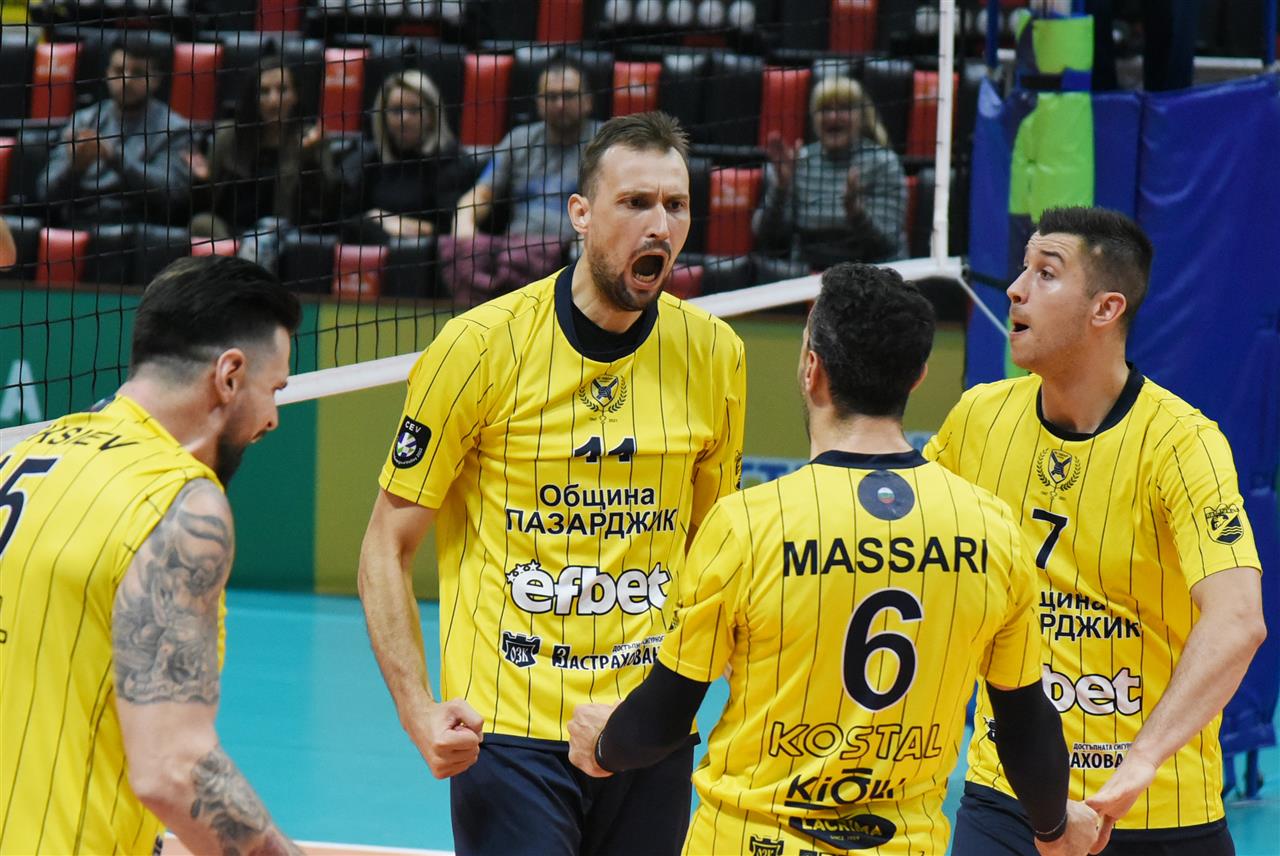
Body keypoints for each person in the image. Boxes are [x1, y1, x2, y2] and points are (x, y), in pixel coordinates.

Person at [566, 262, 1101, 856]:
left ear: (811, 369)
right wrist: (1054, 825)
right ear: (918, 376)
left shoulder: (747, 525)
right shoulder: (993, 529)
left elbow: (665, 717)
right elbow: (1025, 723)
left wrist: (605, 745)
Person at [358, 111, 745, 856]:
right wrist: (417, 711)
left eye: (676, 205)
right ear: (580, 214)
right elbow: (386, 544)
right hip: (508, 735)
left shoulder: (715, 355)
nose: (659, 225)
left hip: (647, 728)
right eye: (635, 202)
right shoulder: (477, 347)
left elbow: (712, 549)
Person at [926, 207, 1266, 856]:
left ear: (1105, 309)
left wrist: (1140, 762)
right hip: (1008, 801)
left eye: (1045, 273)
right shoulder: (977, 419)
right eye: (1022, 268)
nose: (1015, 289)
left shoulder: (1183, 445)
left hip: (1157, 811)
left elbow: (1237, 620)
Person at [0, 255, 302, 856]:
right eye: (274, 390)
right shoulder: (180, 503)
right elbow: (172, 769)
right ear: (229, 375)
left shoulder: (21, 456)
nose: (271, 419)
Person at [444, 58, 602, 303]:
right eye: (550, 97)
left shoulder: (605, 143)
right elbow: (482, 193)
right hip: (515, 250)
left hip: (570, 250)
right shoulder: (518, 140)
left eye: (569, 95)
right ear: (538, 102)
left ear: (588, 100)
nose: (560, 104)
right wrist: (465, 223)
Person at [37, 32, 193, 228]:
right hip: (81, 224)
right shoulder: (83, 120)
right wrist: (74, 168)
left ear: (156, 80)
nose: (126, 80)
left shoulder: (174, 128)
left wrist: (113, 156)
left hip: (139, 228)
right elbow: (45, 192)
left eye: (138, 73)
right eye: (119, 70)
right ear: (108, 73)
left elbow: (172, 193)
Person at [753, 75, 907, 268]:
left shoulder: (883, 163)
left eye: (844, 108)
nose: (833, 117)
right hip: (808, 276)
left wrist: (855, 211)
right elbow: (765, 235)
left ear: (861, 117)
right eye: (825, 109)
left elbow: (887, 244)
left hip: (870, 274)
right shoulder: (799, 161)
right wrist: (781, 187)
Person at [189, 56, 330, 245]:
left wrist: (310, 158)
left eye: (282, 90)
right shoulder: (227, 136)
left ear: (295, 95)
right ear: (253, 98)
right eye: (264, 92)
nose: (274, 100)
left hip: (280, 236)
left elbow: (324, 205)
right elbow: (200, 206)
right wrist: (201, 181)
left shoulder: (310, 139)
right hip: (229, 235)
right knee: (202, 223)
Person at [335, 69, 477, 242]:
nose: (405, 119)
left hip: (426, 252)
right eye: (396, 111)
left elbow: (451, 229)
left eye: (415, 110)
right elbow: (344, 218)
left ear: (432, 115)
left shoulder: (452, 161)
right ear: (383, 117)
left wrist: (392, 222)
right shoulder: (369, 159)